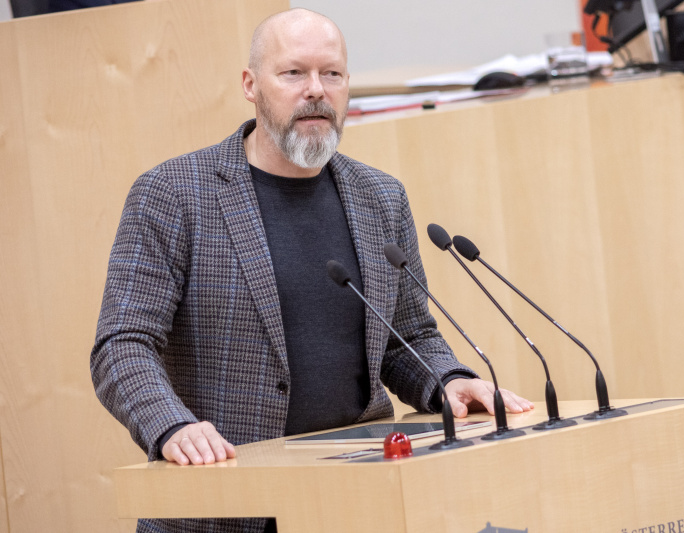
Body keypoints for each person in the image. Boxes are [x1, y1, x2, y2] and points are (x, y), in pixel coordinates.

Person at [91, 8, 533, 533]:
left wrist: (448, 381)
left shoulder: (381, 197)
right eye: (294, 73)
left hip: (358, 503)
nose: (316, 91)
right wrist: (171, 427)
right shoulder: (174, 194)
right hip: (224, 506)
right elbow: (121, 344)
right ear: (251, 86)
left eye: (332, 74)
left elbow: (407, 336)